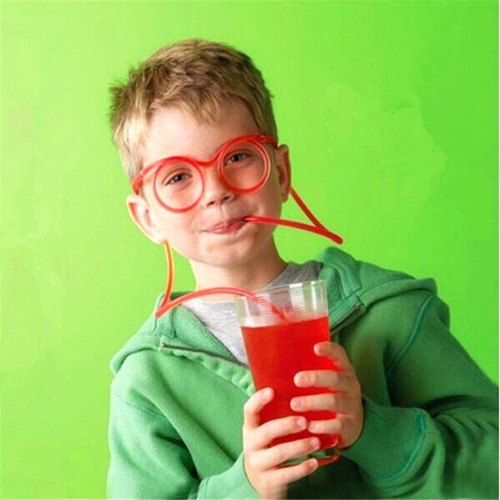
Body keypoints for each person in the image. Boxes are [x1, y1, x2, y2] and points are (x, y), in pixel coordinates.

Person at [106, 38, 498, 499]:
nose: (215, 191)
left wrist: (372, 430)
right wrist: (245, 487)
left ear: (281, 173)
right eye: (177, 177)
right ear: (147, 217)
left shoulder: (387, 312)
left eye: (238, 157)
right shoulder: (148, 382)